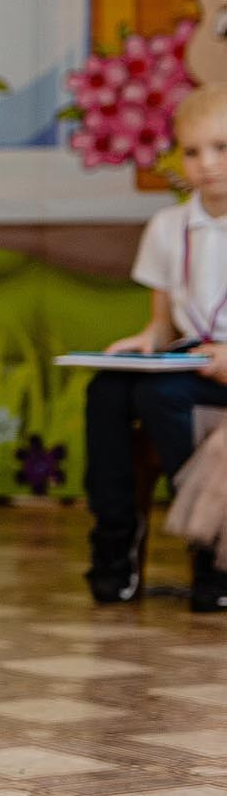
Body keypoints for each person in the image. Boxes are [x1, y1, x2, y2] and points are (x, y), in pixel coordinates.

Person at [94, 86, 227, 610]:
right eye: (192, 152)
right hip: (193, 363)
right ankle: (114, 544)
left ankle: (212, 543)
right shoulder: (168, 228)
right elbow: (163, 328)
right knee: (109, 387)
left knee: (159, 396)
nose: (206, 164)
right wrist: (144, 343)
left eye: (221, 147)